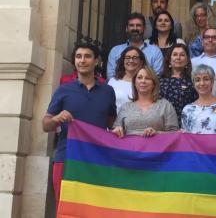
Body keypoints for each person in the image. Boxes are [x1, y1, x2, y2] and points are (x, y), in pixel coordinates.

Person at [42, 42, 117, 208]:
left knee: (94, 209)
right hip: (66, 157)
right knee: (65, 208)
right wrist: (56, 119)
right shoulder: (63, 90)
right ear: (74, 61)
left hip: (97, 160)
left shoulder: (107, 91)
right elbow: (45, 125)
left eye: (87, 56)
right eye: (78, 56)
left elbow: (110, 124)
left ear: (96, 61)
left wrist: (115, 131)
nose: (82, 60)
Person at [111, 66, 179, 138]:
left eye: (147, 78)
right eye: (139, 78)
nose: (143, 81)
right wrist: (117, 130)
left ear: (154, 83)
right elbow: (115, 131)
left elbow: (175, 134)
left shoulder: (165, 105)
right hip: (130, 148)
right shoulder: (125, 106)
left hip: (156, 148)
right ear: (134, 82)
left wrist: (157, 133)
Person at [107, 12, 163, 79]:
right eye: (131, 25)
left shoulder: (155, 51)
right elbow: (111, 77)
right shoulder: (115, 51)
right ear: (126, 29)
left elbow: (156, 77)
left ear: (144, 28)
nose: (135, 28)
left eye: (138, 25)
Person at [181, 64, 216, 134]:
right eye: (197, 80)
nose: (202, 83)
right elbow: (185, 136)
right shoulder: (187, 109)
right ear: (193, 84)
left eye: (206, 79)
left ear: (212, 82)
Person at [160, 44, 197, 124]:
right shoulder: (159, 81)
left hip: (185, 123)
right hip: (162, 123)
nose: (178, 57)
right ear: (169, 60)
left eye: (182, 55)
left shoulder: (193, 81)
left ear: (187, 60)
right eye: (175, 54)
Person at [108, 46, 146, 112]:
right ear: (123, 61)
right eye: (127, 58)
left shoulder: (145, 82)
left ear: (141, 62)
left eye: (135, 58)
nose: (131, 61)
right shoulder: (113, 81)